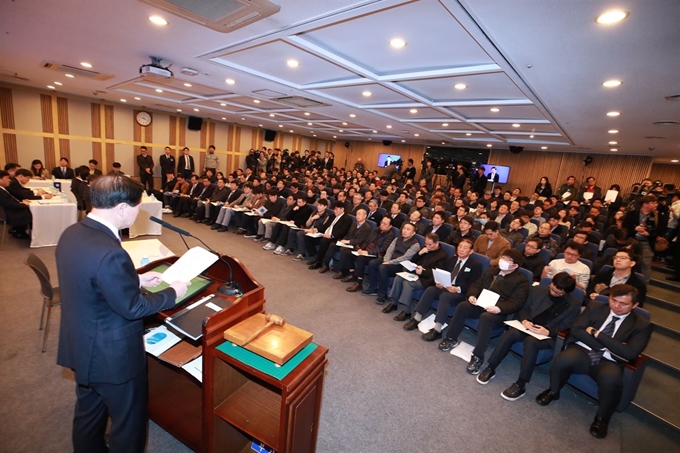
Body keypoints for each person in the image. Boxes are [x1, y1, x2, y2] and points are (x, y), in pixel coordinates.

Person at [55, 175, 188, 453]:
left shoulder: (73, 232)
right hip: (112, 358)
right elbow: (134, 308)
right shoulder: (109, 252)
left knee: (89, 415)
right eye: (138, 206)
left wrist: (135, 279)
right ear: (122, 209)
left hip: (80, 344)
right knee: (129, 424)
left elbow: (87, 277)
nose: (139, 211)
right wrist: (172, 291)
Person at [536, 285, 652, 439]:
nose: (616, 306)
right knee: (562, 359)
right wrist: (611, 345)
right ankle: (553, 391)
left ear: (635, 305)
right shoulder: (596, 306)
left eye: (623, 304)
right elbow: (577, 329)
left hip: (609, 361)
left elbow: (630, 353)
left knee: (612, 380)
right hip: (583, 350)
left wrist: (596, 333)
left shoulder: (642, 324)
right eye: (613, 300)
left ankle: (602, 418)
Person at [476, 273, 580, 401]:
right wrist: (525, 320)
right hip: (528, 326)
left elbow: (567, 324)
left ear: (566, 292)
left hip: (546, 335)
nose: (553, 293)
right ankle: (491, 367)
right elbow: (524, 308)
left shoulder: (574, 304)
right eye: (552, 288)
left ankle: (521, 384)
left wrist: (548, 331)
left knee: (531, 342)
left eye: (558, 293)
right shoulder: (538, 290)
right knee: (511, 334)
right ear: (551, 283)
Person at [438, 249, 530, 374]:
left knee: (486, 317)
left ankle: (478, 356)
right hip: (481, 303)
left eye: (507, 260)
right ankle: (451, 338)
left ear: (515, 266)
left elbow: (517, 303)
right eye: (503, 257)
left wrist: (499, 308)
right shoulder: (491, 271)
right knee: (463, 306)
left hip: (499, 311)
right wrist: (472, 295)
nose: (503, 260)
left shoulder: (521, 281)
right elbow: (476, 285)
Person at [403, 238, 483, 340]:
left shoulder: (475, 265)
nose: (462, 249)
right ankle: (416, 318)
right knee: (431, 290)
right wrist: (439, 283)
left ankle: (437, 329)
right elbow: (441, 273)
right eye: (460, 247)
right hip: (446, 287)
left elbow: (474, 284)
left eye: (465, 248)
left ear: (471, 251)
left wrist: (457, 289)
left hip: (460, 292)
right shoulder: (451, 260)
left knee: (445, 296)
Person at [382, 233, 448, 319]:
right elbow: (413, 260)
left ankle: (406, 311)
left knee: (407, 283)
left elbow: (436, 272)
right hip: (415, 273)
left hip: (427, 279)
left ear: (437, 244)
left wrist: (423, 272)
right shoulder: (424, 249)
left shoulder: (442, 256)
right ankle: (393, 303)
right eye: (426, 243)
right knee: (398, 278)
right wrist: (420, 253)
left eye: (430, 244)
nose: (427, 246)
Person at [622, 195, 662, 282]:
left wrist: (649, 234)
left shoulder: (658, 216)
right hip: (632, 241)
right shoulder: (632, 214)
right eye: (653, 203)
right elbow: (624, 227)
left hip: (647, 243)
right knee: (627, 261)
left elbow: (661, 230)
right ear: (645, 204)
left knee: (645, 265)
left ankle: (643, 286)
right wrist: (635, 229)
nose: (656, 205)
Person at [0, 170, 33, 238]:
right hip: (10, 214)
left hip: (11, 210)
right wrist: (23, 205)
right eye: (7, 178)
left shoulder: (2, 189)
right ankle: (20, 230)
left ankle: (20, 230)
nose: (9, 180)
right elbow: (9, 204)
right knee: (34, 213)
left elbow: (9, 200)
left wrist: (20, 202)